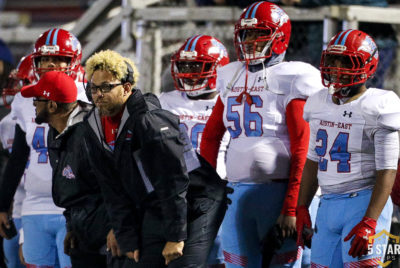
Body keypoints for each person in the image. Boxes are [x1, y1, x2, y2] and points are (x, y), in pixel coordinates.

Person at [199, 2, 323, 267]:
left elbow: (304, 147)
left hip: (279, 193)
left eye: (258, 34)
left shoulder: (291, 77)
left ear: (279, 37)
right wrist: (207, 188)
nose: (250, 41)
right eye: (246, 34)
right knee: (236, 264)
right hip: (235, 191)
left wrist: (292, 206)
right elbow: (211, 136)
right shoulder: (231, 76)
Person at [82, 49, 228, 267]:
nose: (98, 94)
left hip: (197, 199)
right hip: (157, 201)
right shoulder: (93, 125)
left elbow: (174, 179)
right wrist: (126, 235)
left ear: (126, 88)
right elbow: (111, 187)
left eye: (106, 87)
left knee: (182, 264)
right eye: (94, 88)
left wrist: (176, 236)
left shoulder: (148, 120)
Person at [296, 29, 400, 267]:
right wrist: (301, 205)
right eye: (333, 60)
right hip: (327, 203)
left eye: (347, 61)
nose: (337, 67)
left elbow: (388, 171)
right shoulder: (317, 101)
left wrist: (370, 220)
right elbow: (313, 160)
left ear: (368, 66)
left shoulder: (380, 105)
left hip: (363, 202)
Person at [0, 28, 89, 268]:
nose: (50, 64)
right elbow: (18, 157)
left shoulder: (88, 96)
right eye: (45, 59)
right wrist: (3, 204)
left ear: (73, 61)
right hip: (34, 204)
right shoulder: (25, 100)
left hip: (75, 206)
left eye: (58, 58)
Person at [159, 35, 230, 268]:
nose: (189, 71)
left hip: (218, 195)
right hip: (176, 196)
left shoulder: (230, 101)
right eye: (185, 65)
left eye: (197, 65)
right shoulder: (163, 101)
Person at [0, 54, 35, 268]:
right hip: (18, 206)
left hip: (44, 205)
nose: (16, 87)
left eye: (23, 82)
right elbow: (8, 166)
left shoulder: (57, 116)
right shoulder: (6, 123)